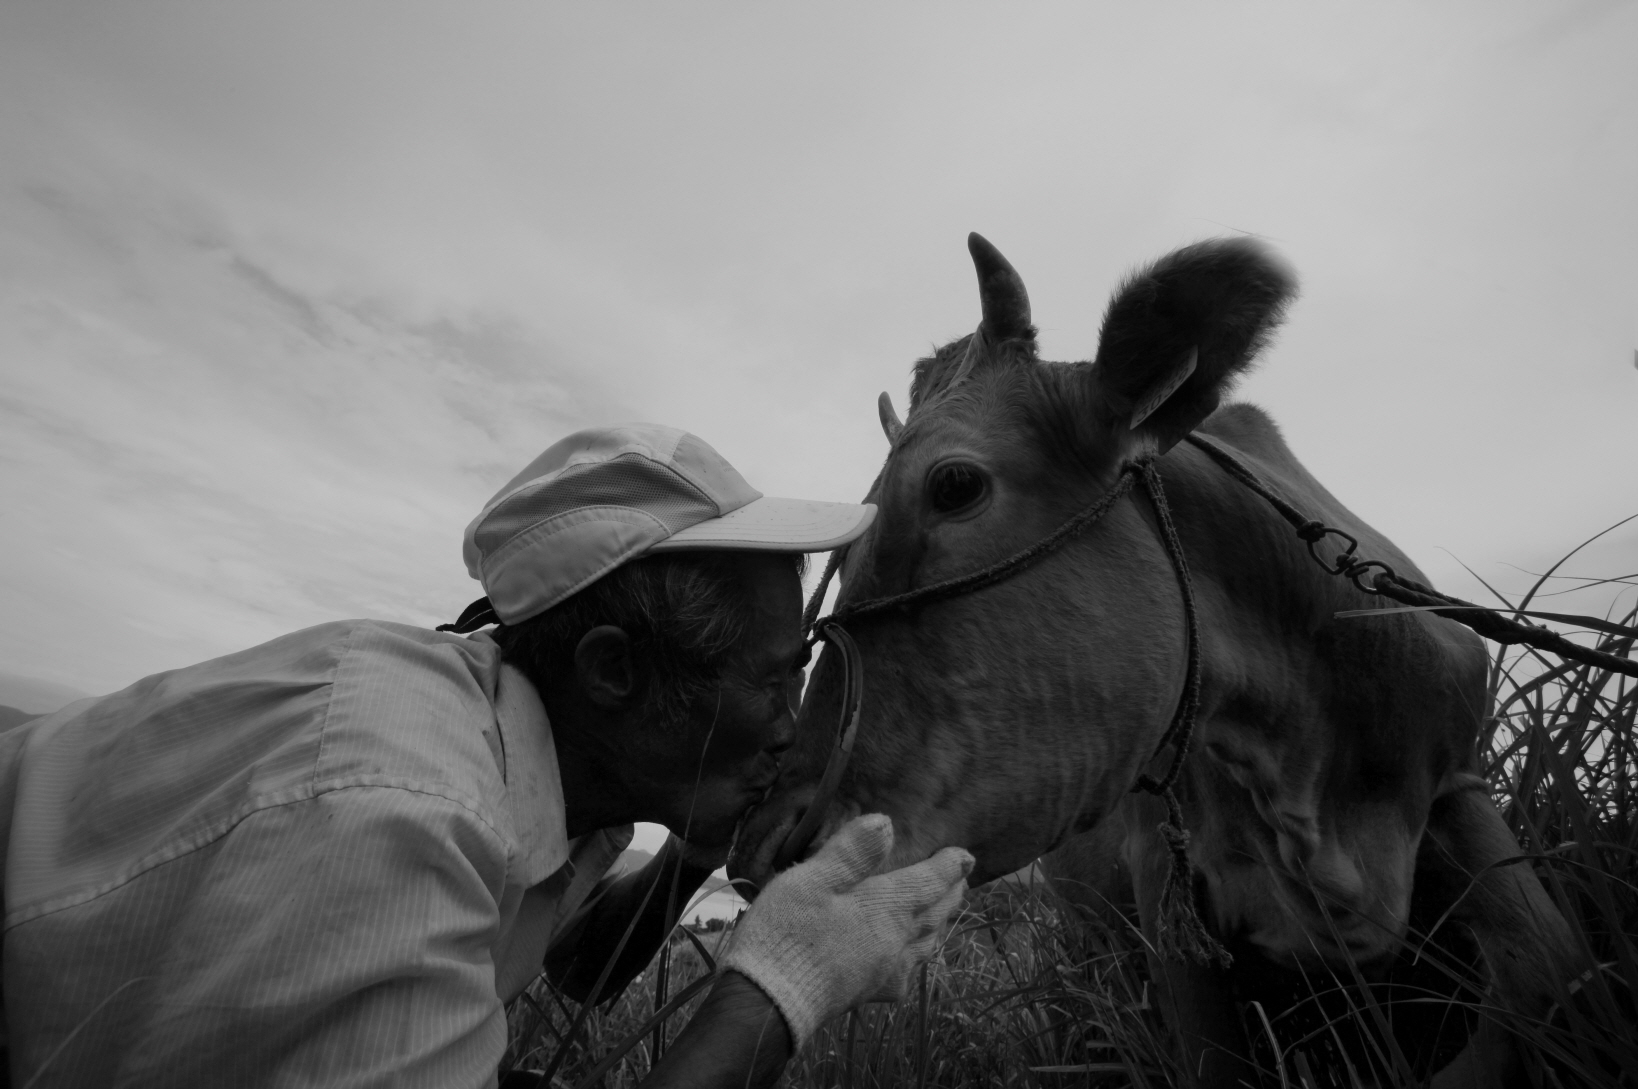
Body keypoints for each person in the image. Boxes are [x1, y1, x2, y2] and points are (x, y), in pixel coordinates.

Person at [0, 424, 973, 1088]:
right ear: (612, 673)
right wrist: (782, 990)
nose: (790, 725)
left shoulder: (544, 767)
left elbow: (579, 971)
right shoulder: (396, 821)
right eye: (770, 681)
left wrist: (693, 853)